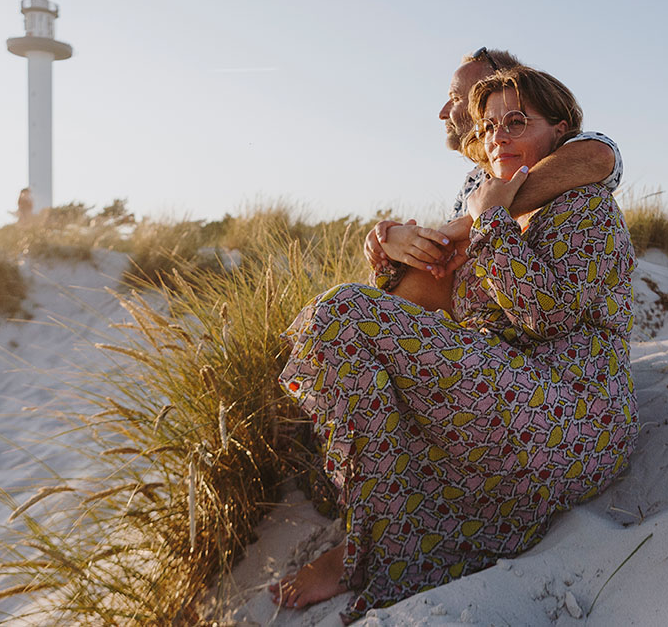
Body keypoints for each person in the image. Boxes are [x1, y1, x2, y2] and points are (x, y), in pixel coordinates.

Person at [271, 66, 638, 622]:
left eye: (517, 122)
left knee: (343, 312)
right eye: (489, 127)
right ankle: (372, 534)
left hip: (574, 411)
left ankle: (374, 549)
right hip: (513, 394)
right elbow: (415, 317)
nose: (499, 136)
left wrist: (488, 221)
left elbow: (548, 317)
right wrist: (393, 251)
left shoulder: (582, 207)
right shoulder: (481, 209)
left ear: (560, 132)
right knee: (349, 328)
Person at [364, 48, 622, 311]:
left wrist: (481, 219)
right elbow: (447, 268)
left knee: (344, 310)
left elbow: (598, 155)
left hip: (513, 342)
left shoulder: (579, 174)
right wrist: (394, 244)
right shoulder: (477, 178)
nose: (443, 112)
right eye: (489, 126)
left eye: (455, 98)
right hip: (471, 333)